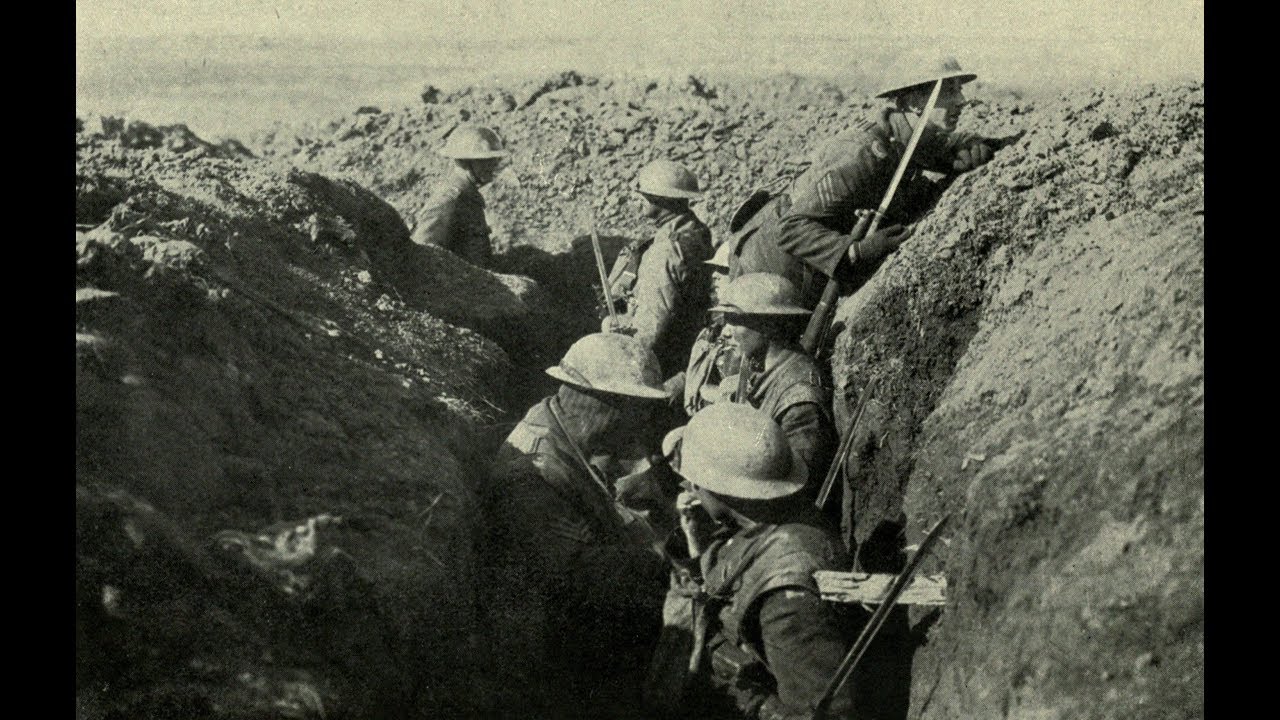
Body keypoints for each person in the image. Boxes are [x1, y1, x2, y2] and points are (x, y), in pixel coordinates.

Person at [487, 332, 676, 715]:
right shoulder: (535, 475)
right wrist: (667, 559)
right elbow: (577, 575)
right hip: (547, 652)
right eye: (635, 409)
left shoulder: (565, 426)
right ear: (600, 405)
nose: (642, 423)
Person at [729, 55, 1002, 309]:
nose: (962, 100)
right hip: (771, 262)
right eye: (950, 90)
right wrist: (856, 252)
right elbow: (791, 228)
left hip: (808, 252)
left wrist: (970, 145)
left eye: (959, 89)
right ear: (917, 101)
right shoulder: (862, 155)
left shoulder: (908, 132)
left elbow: (938, 145)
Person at [646, 403, 860, 719]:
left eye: (696, 480)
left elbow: (825, 713)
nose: (692, 487)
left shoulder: (786, 601)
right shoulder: (782, 515)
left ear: (724, 490)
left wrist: (745, 697)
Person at [711, 273, 835, 489]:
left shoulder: (799, 402)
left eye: (736, 321)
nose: (725, 332)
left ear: (768, 326)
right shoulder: (761, 371)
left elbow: (794, 487)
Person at [603, 160, 715, 379]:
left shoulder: (663, 252)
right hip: (690, 347)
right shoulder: (696, 232)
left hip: (663, 364)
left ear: (661, 198)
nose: (638, 199)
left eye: (643, 194)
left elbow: (650, 329)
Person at [662, 242, 742, 417]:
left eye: (723, 270)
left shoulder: (744, 334)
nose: (714, 276)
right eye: (714, 270)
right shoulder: (716, 325)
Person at [412, 124, 507, 266]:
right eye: (484, 161)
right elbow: (421, 258)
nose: (492, 166)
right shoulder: (448, 202)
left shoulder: (468, 199)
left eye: (493, 160)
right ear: (464, 162)